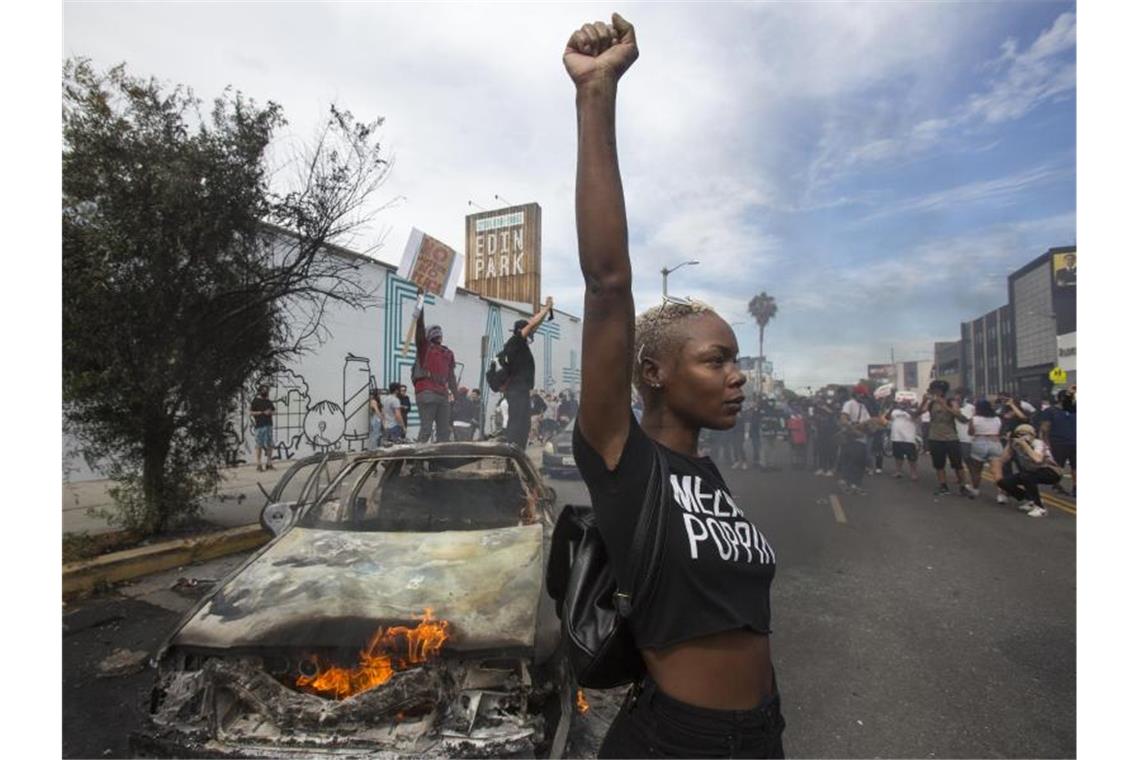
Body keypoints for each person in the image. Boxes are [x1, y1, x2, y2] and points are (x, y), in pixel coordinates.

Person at [565, 14, 784, 758]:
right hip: (680, 744)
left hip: (760, 734)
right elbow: (607, 282)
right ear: (654, 372)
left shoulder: (706, 473)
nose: (737, 377)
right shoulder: (625, 461)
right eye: (716, 360)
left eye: (735, 361)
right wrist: (597, 97)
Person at [498, 298, 556, 450]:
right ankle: (512, 453)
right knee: (517, 423)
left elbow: (534, 325)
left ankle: (519, 453)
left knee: (524, 423)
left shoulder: (520, 345)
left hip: (521, 391)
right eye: (529, 332)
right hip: (516, 390)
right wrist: (546, 308)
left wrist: (545, 312)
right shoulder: (515, 342)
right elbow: (532, 325)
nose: (532, 334)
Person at [919, 380, 977, 498]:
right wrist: (924, 401)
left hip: (951, 437)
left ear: (942, 391)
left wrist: (944, 404)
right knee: (939, 464)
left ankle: (963, 486)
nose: (934, 392)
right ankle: (943, 486)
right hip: (935, 437)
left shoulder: (952, 402)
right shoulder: (931, 403)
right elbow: (916, 414)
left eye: (935, 390)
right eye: (932, 390)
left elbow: (962, 418)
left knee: (957, 464)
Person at [412, 306, 460, 443]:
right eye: (435, 332)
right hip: (427, 392)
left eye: (439, 333)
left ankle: (438, 463)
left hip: (442, 394)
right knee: (426, 429)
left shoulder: (447, 353)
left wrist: (456, 397)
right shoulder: (424, 347)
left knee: (444, 432)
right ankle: (417, 462)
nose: (438, 334)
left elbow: (451, 377)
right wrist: (420, 307)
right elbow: (419, 328)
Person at [997, 424, 1063, 517]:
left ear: (1032, 435)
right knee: (1003, 482)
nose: (1022, 437)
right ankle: (1031, 499)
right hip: (1032, 471)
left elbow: (1037, 459)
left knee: (1027, 476)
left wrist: (1025, 445)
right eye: (1019, 434)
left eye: (1025, 434)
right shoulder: (1015, 444)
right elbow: (1003, 459)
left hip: (1051, 472)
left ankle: (1040, 508)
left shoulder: (1038, 443)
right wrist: (1009, 443)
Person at [1039, 389, 1076, 498]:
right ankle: (1056, 484)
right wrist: (1045, 444)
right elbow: (1045, 428)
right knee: (1058, 466)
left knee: (1076, 466)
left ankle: (1076, 487)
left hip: (1075, 442)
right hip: (1058, 442)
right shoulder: (1051, 411)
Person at [966, 398, 1004, 502]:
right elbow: (999, 431)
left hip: (979, 442)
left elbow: (970, 432)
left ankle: (975, 489)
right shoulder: (997, 419)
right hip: (995, 442)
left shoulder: (974, 419)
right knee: (997, 472)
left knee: (976, 470)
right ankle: (1001, 495)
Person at [837, 386, 871, 495]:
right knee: (853, 462)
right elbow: (843, 419)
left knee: (860, 463)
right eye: (862, 394)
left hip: (862, 438)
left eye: (864, 395)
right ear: (856, 394)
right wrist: (853, 429)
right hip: (852, 437)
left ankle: (854, 484)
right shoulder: (849, 403)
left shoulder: (863, 406)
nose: (864, 396)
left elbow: (868, 421)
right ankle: (848, 483)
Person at [885, 396, 920, 481]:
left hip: (908, 438)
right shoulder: (895, 411)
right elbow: (887, 417)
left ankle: (913, 473)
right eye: (901, 403)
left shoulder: (913, 411)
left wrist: (906, 409)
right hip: (896, 437)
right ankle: (898, 471)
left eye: (905, 403)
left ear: (909, 404)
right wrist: (892, 408)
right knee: (898, 456)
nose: (902, 404)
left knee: (912, 457)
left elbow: (916, 417)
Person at [249, 384, 275, 472]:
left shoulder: (268, 401)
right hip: (259, 425)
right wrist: (261, 413)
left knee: (270, 444)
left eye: (266, 390)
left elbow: (274, 410)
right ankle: (259, 464)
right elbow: (251, 412)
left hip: (269, 425)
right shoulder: (256, 401)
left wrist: (270, 412)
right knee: (259, 445)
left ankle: (269, 463)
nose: (265, 392)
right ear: (260, 391)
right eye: (264, 390)